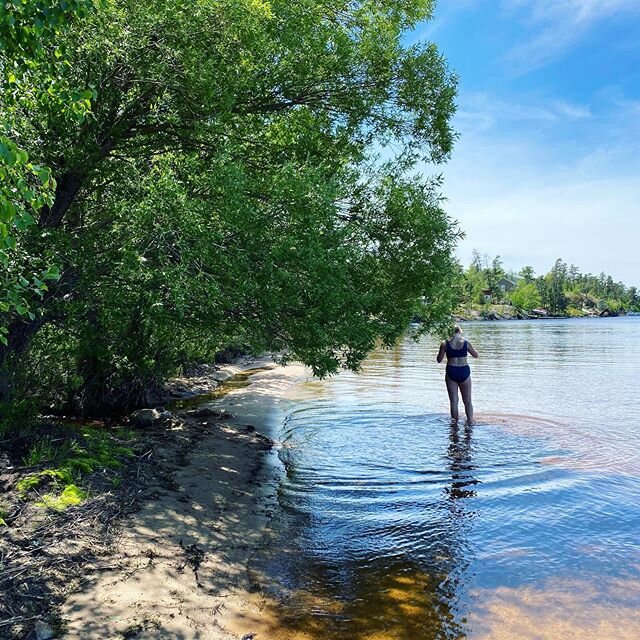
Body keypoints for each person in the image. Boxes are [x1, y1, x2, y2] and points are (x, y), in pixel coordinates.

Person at [436, 325, 478, 424]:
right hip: (464, 371)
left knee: (454, 401)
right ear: (460, 331)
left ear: (449, 332)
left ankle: (454, 424)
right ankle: (470, 422)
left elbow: (439, 360)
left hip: (451, 371)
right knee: (467, 401)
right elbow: (476, 355)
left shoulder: (445, 344)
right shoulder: (465, 343)